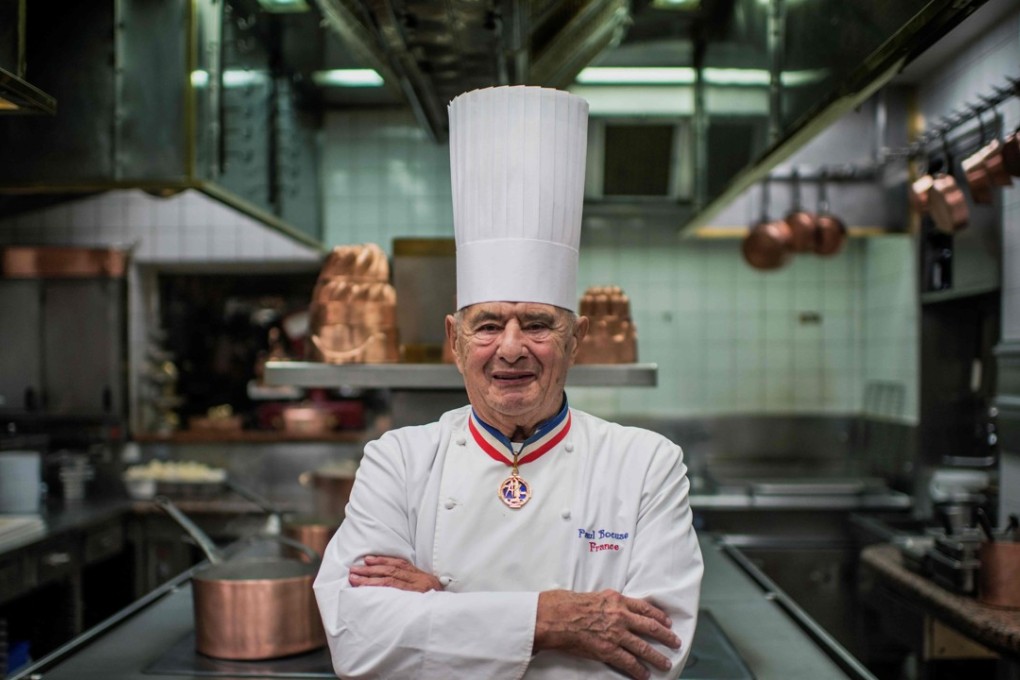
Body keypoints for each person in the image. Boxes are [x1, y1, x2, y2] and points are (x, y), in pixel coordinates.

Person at [313, 86, 703, 680]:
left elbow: (656, 653)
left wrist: (439, 607)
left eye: (540, 325)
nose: (513, 347)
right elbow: (358, 642)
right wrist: (554, 620)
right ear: (455, 340)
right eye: (489, 324)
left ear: (575, 339)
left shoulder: (646, 464)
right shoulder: (398, 459)